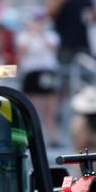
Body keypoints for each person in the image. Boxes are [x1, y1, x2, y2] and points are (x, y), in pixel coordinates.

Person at [18, 10, 61, 144]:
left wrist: (40, 34)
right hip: (32, 72)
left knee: (50, 108)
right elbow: (23, 50)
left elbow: (53, 47)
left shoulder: (51, 35)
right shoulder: (24, 36)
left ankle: (52, 136)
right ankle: (33, 137)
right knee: (32, 106)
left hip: (47, 71)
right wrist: (32, 34)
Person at [48, 0, 96, 66]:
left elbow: (92, 19)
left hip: (82, 43)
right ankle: (12, 74)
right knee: (63, 75)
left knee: (86, 74)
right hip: (64, 44)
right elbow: (50, 13)